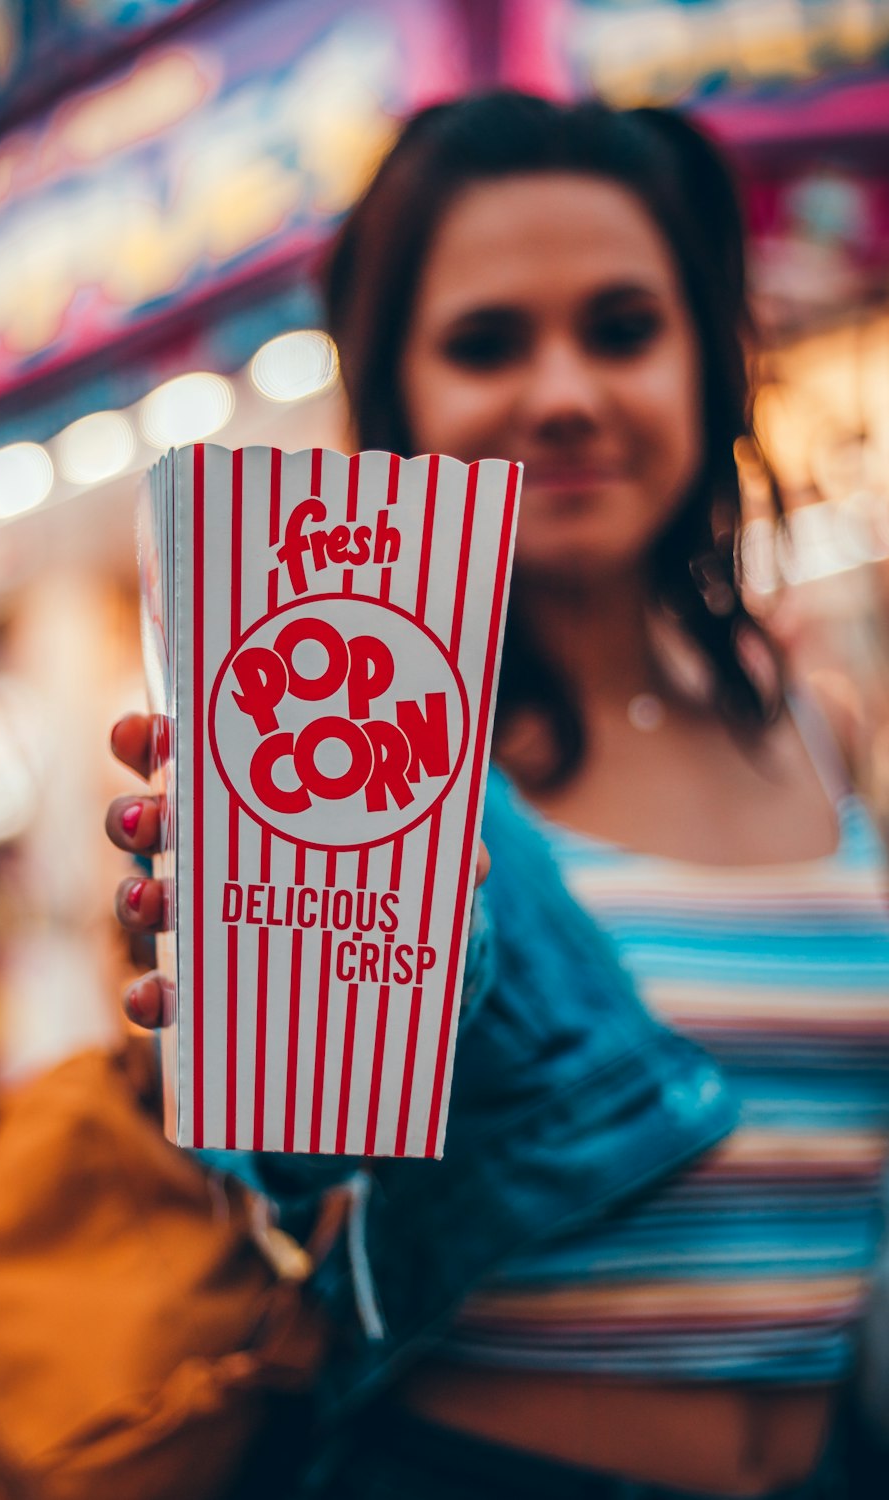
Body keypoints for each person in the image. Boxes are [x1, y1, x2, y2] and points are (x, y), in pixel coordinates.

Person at [106, 93, 889, 1499]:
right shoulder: (368, 747)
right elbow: (295, 1161)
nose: (567, 392)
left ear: (711, 359)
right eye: (485, 343)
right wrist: (252, 986)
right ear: (396, 392)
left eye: (623, 327)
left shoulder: (817, 725)